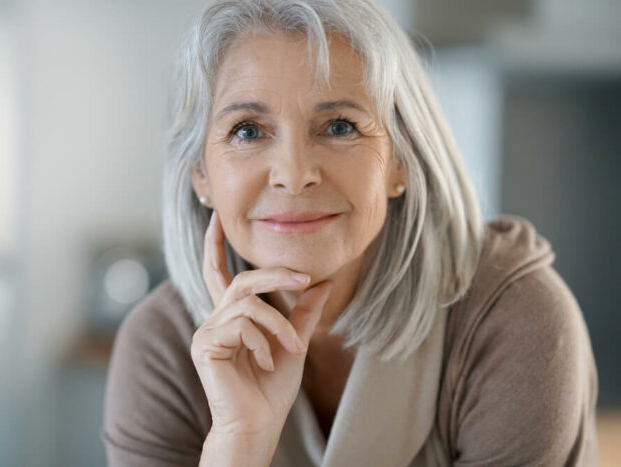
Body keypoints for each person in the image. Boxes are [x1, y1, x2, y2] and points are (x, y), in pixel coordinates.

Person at [101, 0, 599, 465]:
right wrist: (239, 440)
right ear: (201, 176)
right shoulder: (162, 347)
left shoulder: (511, 320)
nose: (294, 175)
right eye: (248, 130)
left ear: (401, 162)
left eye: (339, 126)